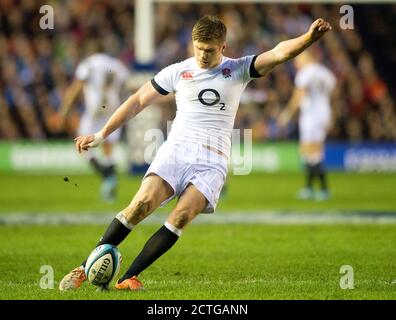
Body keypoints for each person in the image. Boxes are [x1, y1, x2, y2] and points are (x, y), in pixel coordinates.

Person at [59, 15, 332, 291]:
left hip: (212, 161)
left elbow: (278, 53)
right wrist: (101, 134)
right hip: (177, 150)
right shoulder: (178, 71)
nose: (202, 54)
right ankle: (83, 268)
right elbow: (138, 100)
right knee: (139, 206)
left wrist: (308, 38)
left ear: (223, 47)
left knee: (181, 217)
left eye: (209, 50)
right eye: (198, 47)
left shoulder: (238, 70)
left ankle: (128, 278)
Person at [59, 52, 130, 202]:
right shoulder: (117, 65)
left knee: (81, 143)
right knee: (108, 145)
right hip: (112, 106)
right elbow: (125, 87)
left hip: (95, 106)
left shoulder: (89, 63)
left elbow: (77, 85)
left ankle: (106, 175)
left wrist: (65, 109)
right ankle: (109, 179)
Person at [278, 50, 336, 201]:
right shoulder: (325, 73)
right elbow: (333, 93)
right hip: (324, 113)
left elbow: (299, 95)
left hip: (311, 116)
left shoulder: (305, 73)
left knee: (310, 154)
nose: (296, 64)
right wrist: (331, 115)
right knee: (315, 152)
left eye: (298, 60)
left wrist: (287, 114)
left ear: (306, 58)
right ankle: (310, 188)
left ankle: (323, 189)